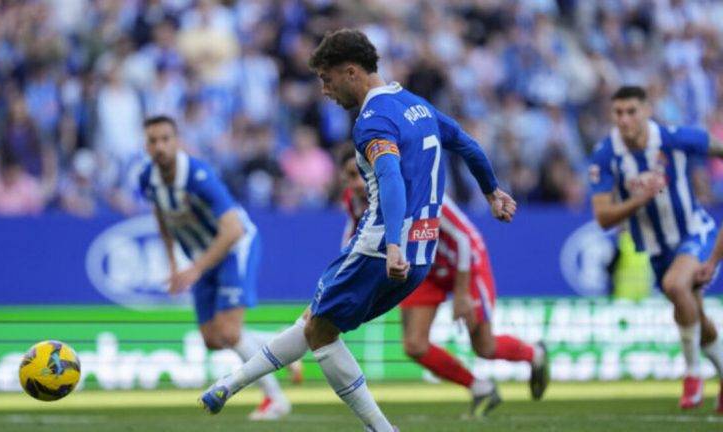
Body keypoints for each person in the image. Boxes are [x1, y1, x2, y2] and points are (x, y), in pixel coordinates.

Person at [200, 29, 515, 431]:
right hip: (421, 255)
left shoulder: (372, 121)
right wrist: (492, 191)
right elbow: (467, 144)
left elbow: (391, 178)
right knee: (318, 323)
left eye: (327, 80)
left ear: (352, 72)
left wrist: (394, 242)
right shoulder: (415, 105)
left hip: (381, 246)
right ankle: (229, 385)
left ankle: (381, 429)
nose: (326, 91)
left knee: (319, 331)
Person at [338, 149, 548, 418]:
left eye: (359, 174)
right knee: (414, 344)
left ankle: (533, 354)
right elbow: (352, 237)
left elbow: (462, 241)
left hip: (465, 263)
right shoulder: (356, 200)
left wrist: (461, 295)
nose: (356, 183)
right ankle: (479, 387)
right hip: (425, 266)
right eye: (349, 177)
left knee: (484, 347)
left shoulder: (417, 190)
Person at [138, 115, 292, 420]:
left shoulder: (198, 176)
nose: (160, 147)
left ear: (177, 141)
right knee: (212, 339)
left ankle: (275, 400)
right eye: (153, 141)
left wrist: (194, 270)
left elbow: (233, 229)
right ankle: (284, 343)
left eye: (165, 139)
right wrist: (173, 263)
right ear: (146, 145)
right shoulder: (147, 179)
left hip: (235, 248)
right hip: (202, 255)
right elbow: (162, 217)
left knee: (230, 332)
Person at [589, 85, 723, 411]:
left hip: (695, 231)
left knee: (675, 286)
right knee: (695, 313)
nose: (625, 119)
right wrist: (639, 199)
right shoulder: (607, 154)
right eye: (618, 112)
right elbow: (603, 217)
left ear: (647, 110)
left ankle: (692, 376)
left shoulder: (674, 137)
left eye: (631, 111)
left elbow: (716, 146)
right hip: (655, 248)